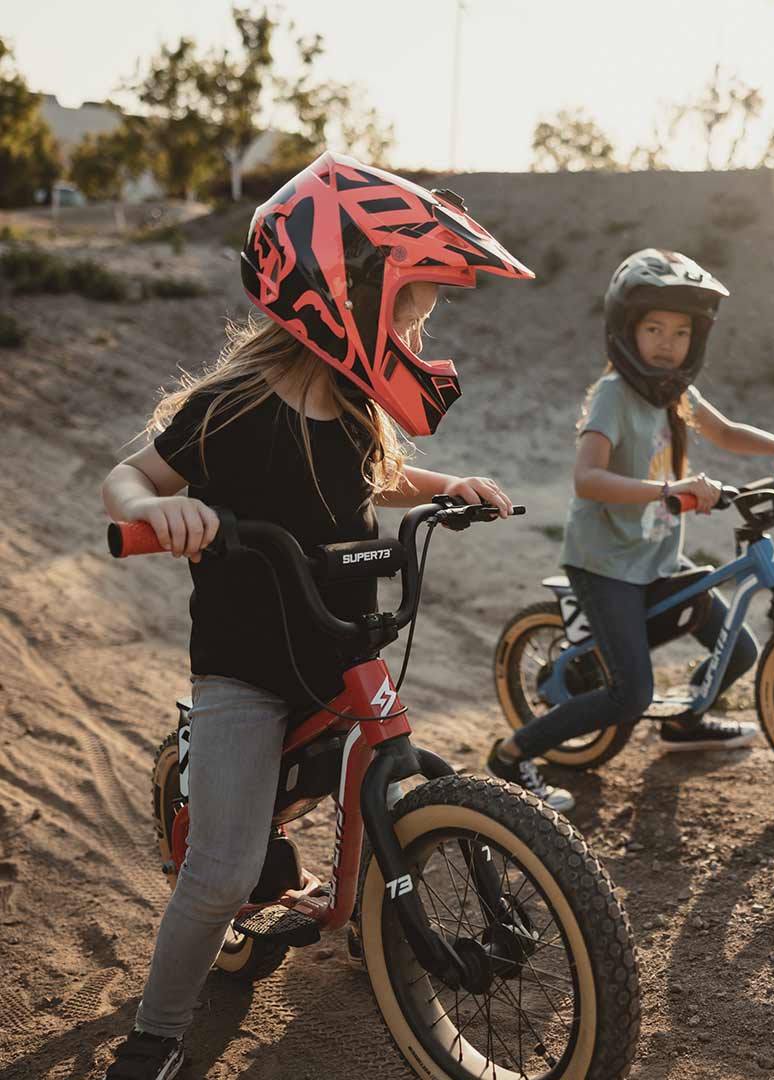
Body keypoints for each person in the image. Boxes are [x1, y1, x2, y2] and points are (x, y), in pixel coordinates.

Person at [98, 153, 532, 1080]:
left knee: (388, 778)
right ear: (343, 291)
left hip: (339, 649)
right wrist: (155, 510)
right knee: (217, 875)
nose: (419, 326)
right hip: (247, 667)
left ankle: (364, 910)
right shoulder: (230, 407)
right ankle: (157, 1034)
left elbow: (376, 476)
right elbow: (125, 476)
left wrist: (443, 485)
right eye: (410, 304)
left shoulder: (354, 405)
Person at [486, 248, 774, 812]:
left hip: (656, 560)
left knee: (737, 650)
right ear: (626, 329)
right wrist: (668, 491)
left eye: (682, 331)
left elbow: (724, 430)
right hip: (604, 565)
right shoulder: (614, 396)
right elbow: (587, 479)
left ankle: (684, 724)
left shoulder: (675, 393)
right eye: (653, 328)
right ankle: (510, 754)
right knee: (629, 693)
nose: (668, 342)